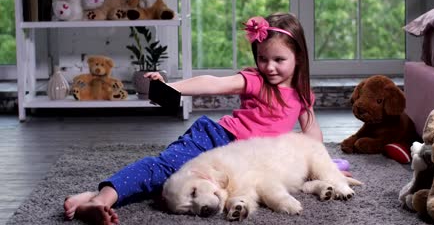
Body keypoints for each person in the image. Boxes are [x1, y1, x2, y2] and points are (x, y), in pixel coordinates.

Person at [64, 12, 332, 225]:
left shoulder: (302, 94)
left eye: (278, 59)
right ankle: (102, 198)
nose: (269, 66)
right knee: (163, 171)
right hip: (216, 140)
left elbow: (312, 137)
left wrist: (321, 165)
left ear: (298, 57)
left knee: (172, 193)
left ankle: (90, 198)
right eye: (263, 58)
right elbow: (213, 83)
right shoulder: (255, 80)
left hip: (246, 161)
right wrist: (172, 88)